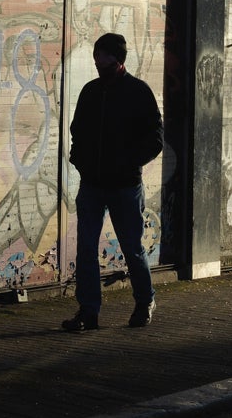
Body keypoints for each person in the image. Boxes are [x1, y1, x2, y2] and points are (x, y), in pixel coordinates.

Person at [62, 32, 164, 332]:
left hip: (124, 187)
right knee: (85, 249)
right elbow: (77, 129)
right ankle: (88, 311)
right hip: (92, 184)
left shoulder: (138, 92)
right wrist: (79, 160)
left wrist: (128, 163)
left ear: (117, 60)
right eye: (96, 58)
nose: (97, 63)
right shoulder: (91, 91)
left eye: (103, 59)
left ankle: (145, 300)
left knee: (132, 248)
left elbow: (155, 139)